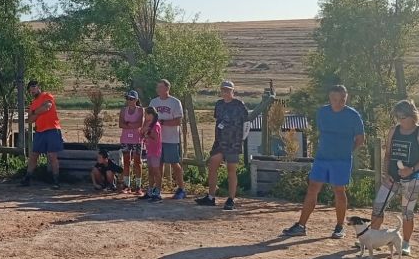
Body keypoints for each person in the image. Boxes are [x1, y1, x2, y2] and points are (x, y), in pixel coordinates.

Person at [281, 84, 365, 237]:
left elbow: (360, 139)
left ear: (346, 98)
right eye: (335, 99)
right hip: (322, 158)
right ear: (330, 98)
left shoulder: (353, 115)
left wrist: (346, 151)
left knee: (339, 190)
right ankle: (301, 226)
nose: (338, 103)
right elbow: (321, 132)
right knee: (312, 188)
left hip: (341, 160)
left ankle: (339, 227)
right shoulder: (322, 112)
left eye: (342, 100)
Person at [369, 100, 419, 256]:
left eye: (403, 117)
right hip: (392, 177)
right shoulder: (394, 131)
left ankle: (405, 244)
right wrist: (386, 174)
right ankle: (372, 239)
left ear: (412, 115)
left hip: (413, 178)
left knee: (407, 212)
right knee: (378, 206)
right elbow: (388, 154)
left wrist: (411, 169)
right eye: (398, 117)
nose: (400, 121)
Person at [198, 81, 272, 210]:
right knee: (212, 166)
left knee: (231, 170)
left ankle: (231, 199)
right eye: (223, 90)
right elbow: (218, 120)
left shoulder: (239, 104)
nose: (225, 92)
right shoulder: (219, 104)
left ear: (233, 91)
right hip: (219, 142)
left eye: (228, 90)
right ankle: (211, 197)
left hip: (233, 142)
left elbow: (247, 120)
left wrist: (242, 138)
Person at [21, 80, 63, 189]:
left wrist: (34, 112)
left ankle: (56, 181)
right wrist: (37, 112)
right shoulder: (33, 103)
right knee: (34, 155)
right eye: (31, 90)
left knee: (52, 156)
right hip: (40, 131)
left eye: (34, 88)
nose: (33, 91)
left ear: (38, 87)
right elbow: (30, 120)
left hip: (52, 129)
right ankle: (27, 178)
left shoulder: (47, 95)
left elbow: (47, 107)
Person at [149, 79, 186, 199]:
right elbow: (149, 119)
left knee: (174, 164)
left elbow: (178, 121)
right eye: (157, 87)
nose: (158, 89)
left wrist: (162, 122)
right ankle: (158, 189)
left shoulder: (175, 102)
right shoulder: (153, 102)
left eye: (161, 87)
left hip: (171, 139)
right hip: (157, 139)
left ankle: (181, 188)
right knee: (158, 165)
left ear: (167, 88)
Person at [118, 91, 145, 193]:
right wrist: (132, 125)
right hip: (125, 139)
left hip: (137, 139)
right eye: (128, 98)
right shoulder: (123, 110)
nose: (129, 101)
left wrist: (128, 124)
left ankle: (138, 186)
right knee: (126, 162)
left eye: (131, 99)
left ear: (136, 100)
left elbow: (140, 124)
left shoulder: (140, 110)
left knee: (137, 162)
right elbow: (120, 124)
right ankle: (126, 185)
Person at [141, 106, 164, 201]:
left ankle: (158, 192)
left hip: (155, 151)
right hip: (149, 150)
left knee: (156, 171)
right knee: (150, 171)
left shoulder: (156, 125)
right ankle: (150, 191)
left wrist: (148, 133)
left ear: (151, 115)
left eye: (146, 114)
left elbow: (156, 138)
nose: (145, 116)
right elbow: (142, 134)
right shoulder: (148, 124)